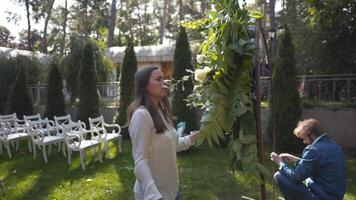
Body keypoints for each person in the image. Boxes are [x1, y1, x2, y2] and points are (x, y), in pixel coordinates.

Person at [127, 66, 199, 200]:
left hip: (173, 192)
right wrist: (154, 195)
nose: (164, 82)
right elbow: (140, 160)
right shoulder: (141, 116)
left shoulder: (162, 112)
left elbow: (173, 144)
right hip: (154, 196)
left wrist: (195, 136)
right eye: (158, 79)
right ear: (145, 86)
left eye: (164, 79)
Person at [270, 119, 346, 200]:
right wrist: (296, 160)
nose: (304, 142)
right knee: (308, 178)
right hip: (335, 196)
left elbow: (296, 177)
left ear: (312, 135)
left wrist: (280, 162)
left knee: (279, 176)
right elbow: (318, 165)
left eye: (304, 138)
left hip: (321, 197)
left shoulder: (313, 149)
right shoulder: (335, 146)